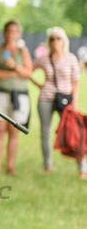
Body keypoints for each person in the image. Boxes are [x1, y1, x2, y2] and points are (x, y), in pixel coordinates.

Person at [29, 27, 86, 178]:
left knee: (74, 131)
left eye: (58, 38)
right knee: (45, 133)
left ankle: (82, 167)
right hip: (46, 98)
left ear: (64, 41)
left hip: (66, 99)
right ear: (49, 42)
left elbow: (76, 80)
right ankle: (48, 165)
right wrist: (38, 84)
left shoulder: (71, 58)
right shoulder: (44, 59)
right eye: (52, 39)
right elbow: (29, 70)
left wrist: (74, 100)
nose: (55, 42)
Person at [0, 20, 32, 175]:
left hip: (19, 97)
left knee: (14, 131)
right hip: (0, 94)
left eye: (14, 31)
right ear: (4, 32)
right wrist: (13, 74)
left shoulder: (23, 52)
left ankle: (10, 166)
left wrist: (14, 66)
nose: (11, 34)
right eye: (8, 31)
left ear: (18, 33)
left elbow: (28, 73)